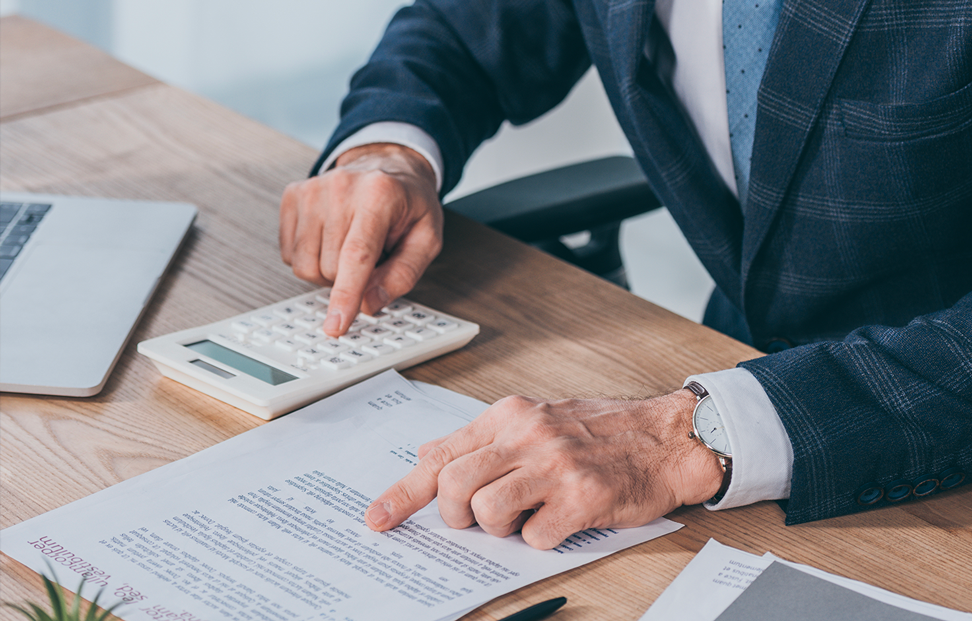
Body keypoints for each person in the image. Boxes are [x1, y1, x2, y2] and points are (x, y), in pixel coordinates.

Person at [278, 0, 972, 550]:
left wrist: (691, 435)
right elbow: (467, 30)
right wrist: (390, 151)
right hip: (728, 371)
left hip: (935, 451)